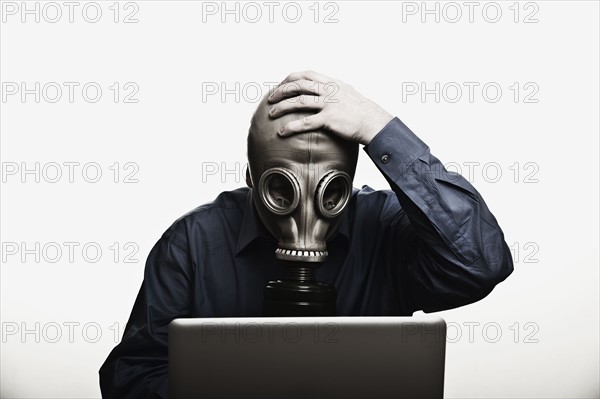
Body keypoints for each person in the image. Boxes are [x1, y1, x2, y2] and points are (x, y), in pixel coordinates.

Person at [99, 71, 513, 398]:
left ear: (348, 185)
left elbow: (480, 262)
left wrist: (379, 127)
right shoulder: (192, 244)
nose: (305, 219)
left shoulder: (385, 230)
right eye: (282, 188)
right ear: (250, 178)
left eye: (330, 191)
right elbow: (131, 375)